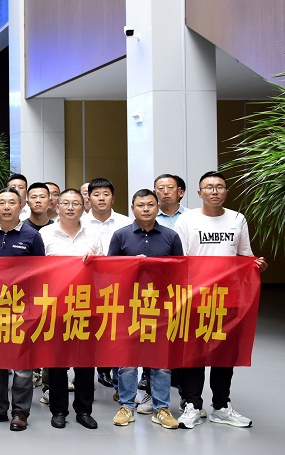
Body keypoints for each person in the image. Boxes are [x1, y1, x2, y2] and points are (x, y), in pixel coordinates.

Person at [174, 171, 267, 429]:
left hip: (228, 297)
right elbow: (179, 259)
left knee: (224, 354)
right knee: (193, 353)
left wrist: (256, 265)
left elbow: (245, 256)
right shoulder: (187, 220)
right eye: (209, 187)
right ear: (199, 192)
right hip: (195, 297)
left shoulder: (237, 219)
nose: (214, 191)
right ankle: (192, 405)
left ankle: (221, 406)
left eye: (219, 187)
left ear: (226, 191)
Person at [107, 189, 183, 430]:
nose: (146, 209)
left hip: (160, 307)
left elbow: (180, 272)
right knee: (127, 362)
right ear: (133, 208)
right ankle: (127, 406)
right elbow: (110, 271)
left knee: (161, 362)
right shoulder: (120, 235)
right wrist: (131, 264)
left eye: (151, 204)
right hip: (129, 306)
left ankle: (161, 408)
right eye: (141, 205)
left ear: (157, 207)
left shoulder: (171, 236)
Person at [0, 187, 45, 431]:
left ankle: (20, 412)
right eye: (1, 202)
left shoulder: (32, 236)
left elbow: (42, 273)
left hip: (23, 308)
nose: (6, 207)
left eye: (11, 203)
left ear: (21, 206)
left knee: (23, 367)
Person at [39, 188, 103, 430]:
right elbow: (36, 269)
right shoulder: (45, 234)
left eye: (75, 203)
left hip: (86, 305)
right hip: (55, 305)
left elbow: (105, 267)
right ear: (57, 206)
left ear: (83, 207)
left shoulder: (93, 234)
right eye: (65, 203)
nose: (70, 207)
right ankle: (58, 410)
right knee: (57, 361)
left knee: (85, 360)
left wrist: (95, 260)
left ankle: (84, 410)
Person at [81, 177, 131, 389]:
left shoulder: (126, 223)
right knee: (86, 334)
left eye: (106, 194)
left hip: (120, 287)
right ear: (88, 199)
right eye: (96, 194)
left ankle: (121, 385)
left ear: (113, 198)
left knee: (118, 335)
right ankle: (84, 379)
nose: (101, 198)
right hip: (86, 288)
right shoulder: (79, 223)